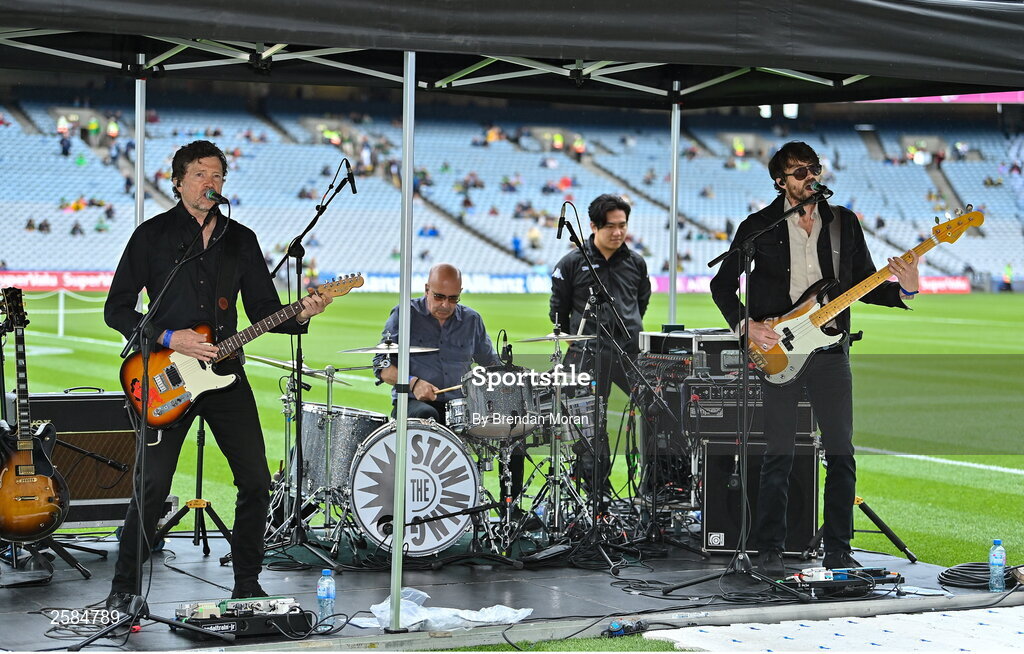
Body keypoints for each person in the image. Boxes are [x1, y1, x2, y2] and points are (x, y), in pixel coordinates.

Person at [102, 140, 332, 612]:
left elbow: (266, 311)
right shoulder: (152, 236)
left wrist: (304, 313)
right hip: (166, 376)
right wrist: (170, 336)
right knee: (152, 485)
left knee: (256, 480)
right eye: (201, 175)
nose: (211, 184)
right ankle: (124, 589)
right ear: (179, 181)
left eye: (218, 176)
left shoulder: (240, 239)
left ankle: (246, 582)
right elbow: (116, 308)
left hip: (225, 374)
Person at [710, 141, 919, 579]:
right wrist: (746, 325)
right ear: (780, 181)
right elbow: (722, 285)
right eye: (800, 171)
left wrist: (905, 287)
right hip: (779, 350)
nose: (810, 177)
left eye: (814, 168)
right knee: (778, 454)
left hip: (829, 351)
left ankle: (839, 550)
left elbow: (864, 283)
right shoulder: (758, 227)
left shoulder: (844, 223)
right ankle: (769, 547)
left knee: (841, 451)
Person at [373, 264, 528, 512]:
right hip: (415, 405)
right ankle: (425, 503)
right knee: (428, 416)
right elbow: (381, 366)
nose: (445, 304)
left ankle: (510, 507)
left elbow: (492, 364)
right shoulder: (404, 315)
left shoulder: (472, 320)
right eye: (439, 297)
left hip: (463, 406)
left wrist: (501, 379)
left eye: (453, 298)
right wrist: (413, 382)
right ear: (426, 289)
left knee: (514, 426)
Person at [549, 194, 651, 496]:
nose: (618, 232)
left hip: (630, 353)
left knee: (656, 412)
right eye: (611, 226)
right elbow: (558, 311)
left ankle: (657, 487)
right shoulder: (570, 263)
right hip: (586, 355)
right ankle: (596, 494)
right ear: (593, 226)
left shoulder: (636, 263)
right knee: (590, 425)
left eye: (623, 225)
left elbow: (640, 302)